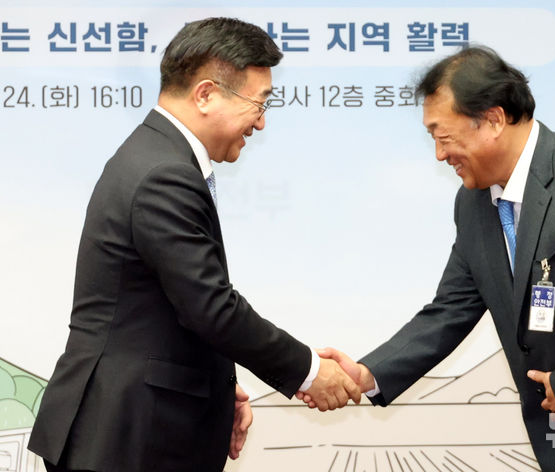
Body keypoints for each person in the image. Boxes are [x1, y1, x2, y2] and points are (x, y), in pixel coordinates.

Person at [302, 46, 555, 471]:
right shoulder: (474, 203)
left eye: (443, 137)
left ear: (494, 120)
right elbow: (450, 310)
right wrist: (368, 373)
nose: (439, 155)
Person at [28, 17, 360, 472]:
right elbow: (211, 307)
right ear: (205, 95)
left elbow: (161, 309)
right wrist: (308, 370)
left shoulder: (154, 156)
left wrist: (217, 389)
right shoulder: (165, 174)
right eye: (258, 103)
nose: (261, 122)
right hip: (124, 438)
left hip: (125, 430)